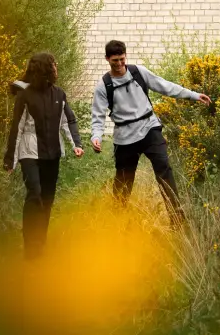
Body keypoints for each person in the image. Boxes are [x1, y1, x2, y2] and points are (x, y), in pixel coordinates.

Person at [90, 40, 211, 223]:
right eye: (115, 60)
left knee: (164, 169)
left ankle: (177, 220)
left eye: (122, 59)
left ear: (126, 56)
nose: (119, 64)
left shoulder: (139, 72)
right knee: (123, 183)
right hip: (124, 137)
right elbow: (97, 115)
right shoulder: (103, 86)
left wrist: (193, 95)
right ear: (107, 59)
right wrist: (96, 136)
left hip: (149, 128)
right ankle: (116, 224)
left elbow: (165, 86)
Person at [3, 52, 83, 258]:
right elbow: (17, 128)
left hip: (53, 153)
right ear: (46, 69)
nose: (57, 69)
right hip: (29, 153)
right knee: (35, 194)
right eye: (54, 65)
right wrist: (10, 159)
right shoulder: (25, 95)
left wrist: (76, 144)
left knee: (47, 199)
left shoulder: (59, 94)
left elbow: (68, 121)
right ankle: (31, 246)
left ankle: (40, 244)